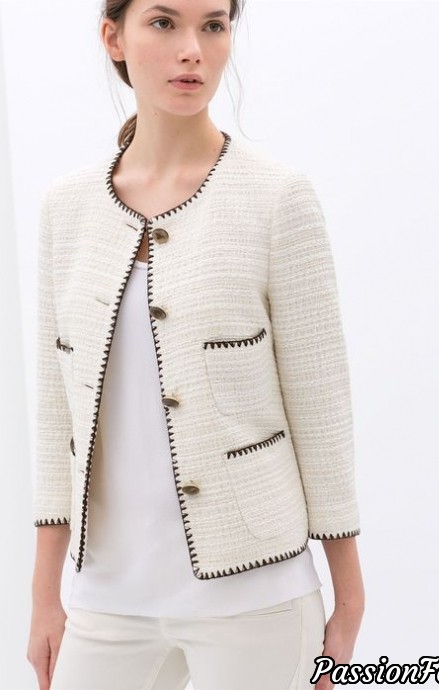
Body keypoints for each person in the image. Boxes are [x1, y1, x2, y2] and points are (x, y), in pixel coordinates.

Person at [27, 0, 365, 688]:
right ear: (113, 37)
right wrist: (43, 596)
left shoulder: (277, 197)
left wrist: (349, 598)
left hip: (257, 599)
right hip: (105, 598)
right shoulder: (68, 206)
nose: (193, 49)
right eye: (163, 23)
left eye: (213, 25)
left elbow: (320, 405)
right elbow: (57, 412)